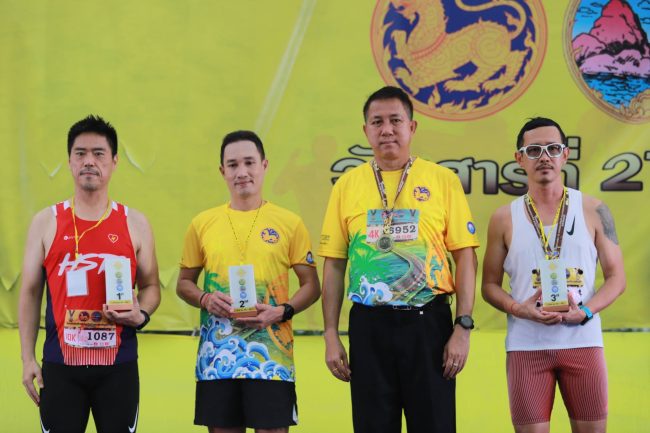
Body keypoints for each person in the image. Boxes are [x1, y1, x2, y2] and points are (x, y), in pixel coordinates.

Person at [319, 86, 480, 433]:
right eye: (377, 122)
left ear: (412, 127)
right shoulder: (346, 186)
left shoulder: (443, 180)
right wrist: (330, 333)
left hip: (428, 325)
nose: (387, 130)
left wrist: (462, 327)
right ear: (366, 130)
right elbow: (334, 264)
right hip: (369, 327)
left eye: (395, 120)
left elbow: (465, 257)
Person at [481, 117, 626, 433]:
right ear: (519, 159)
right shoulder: (503, 218)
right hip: (526, 346)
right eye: (534, 150)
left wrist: (585, 311)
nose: (544, 157)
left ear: (566, 154)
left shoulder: (594, 210)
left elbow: (617, 277)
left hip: (583, 342)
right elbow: (489, 285)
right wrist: (520, 309)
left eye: (552, 148)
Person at [18, 115, 161, 433]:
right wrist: (27, 359)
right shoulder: (45, 222)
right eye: (80, 153)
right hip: (60, 366)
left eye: (98, 153)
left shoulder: (135, 223)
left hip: (118, 366)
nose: (89, 161)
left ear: (114, 161)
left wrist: (142, 314)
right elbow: (29, 292)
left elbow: (151, 286)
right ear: (69, 161)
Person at [176, 130, 320, 433]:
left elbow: (311, 286)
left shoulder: (289, 223)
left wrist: (280, 311)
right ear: (222, 171)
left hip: (272, 360)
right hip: (217, 358)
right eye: (232, 165)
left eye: (249, 162)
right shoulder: (202, 224)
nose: (241, 172)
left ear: (264, 165)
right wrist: (205, 298)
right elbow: (184, 283)